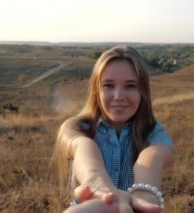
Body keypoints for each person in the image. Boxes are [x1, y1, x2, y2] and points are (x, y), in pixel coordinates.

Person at [54, 45, 173, 212]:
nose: (118, 96)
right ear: (97, 90)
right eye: (109, 86)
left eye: (130, 86)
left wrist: (144, 192)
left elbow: (153, 155)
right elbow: (82, 147)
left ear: (142, 91)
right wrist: (95, 180)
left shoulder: (155, 131)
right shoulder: (77, 128)